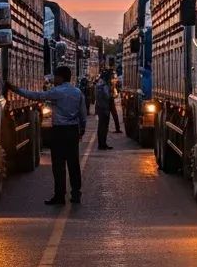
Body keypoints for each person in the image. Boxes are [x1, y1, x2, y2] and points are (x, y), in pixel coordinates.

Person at [6, 64, 87, 205]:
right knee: (74, 164)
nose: (54, 79)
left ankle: (59, 196)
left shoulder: (57, 92)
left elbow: (36, 96)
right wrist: (82, 130)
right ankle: (76, 194)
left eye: (56, 76)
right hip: (72, 131)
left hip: (59, 131)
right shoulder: (78, 92)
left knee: (58, 165)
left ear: (61, 77)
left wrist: (15, 89)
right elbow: (83, 114)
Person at [95, 75, 114, 150]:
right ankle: (103, 144)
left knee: (100, 127)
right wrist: (111, 95)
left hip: (100, 107)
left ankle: (101, 144)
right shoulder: (105, 86)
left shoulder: (98, 85)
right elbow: (107, 96)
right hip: (105, 108)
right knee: (104, 127)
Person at [106, 68, 121, 133]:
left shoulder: (110, 81)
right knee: (112, 115)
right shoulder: (108, 82)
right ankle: (116, 128)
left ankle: (117, 128)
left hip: (110, 100)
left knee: (113, 115)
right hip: (108, 100)